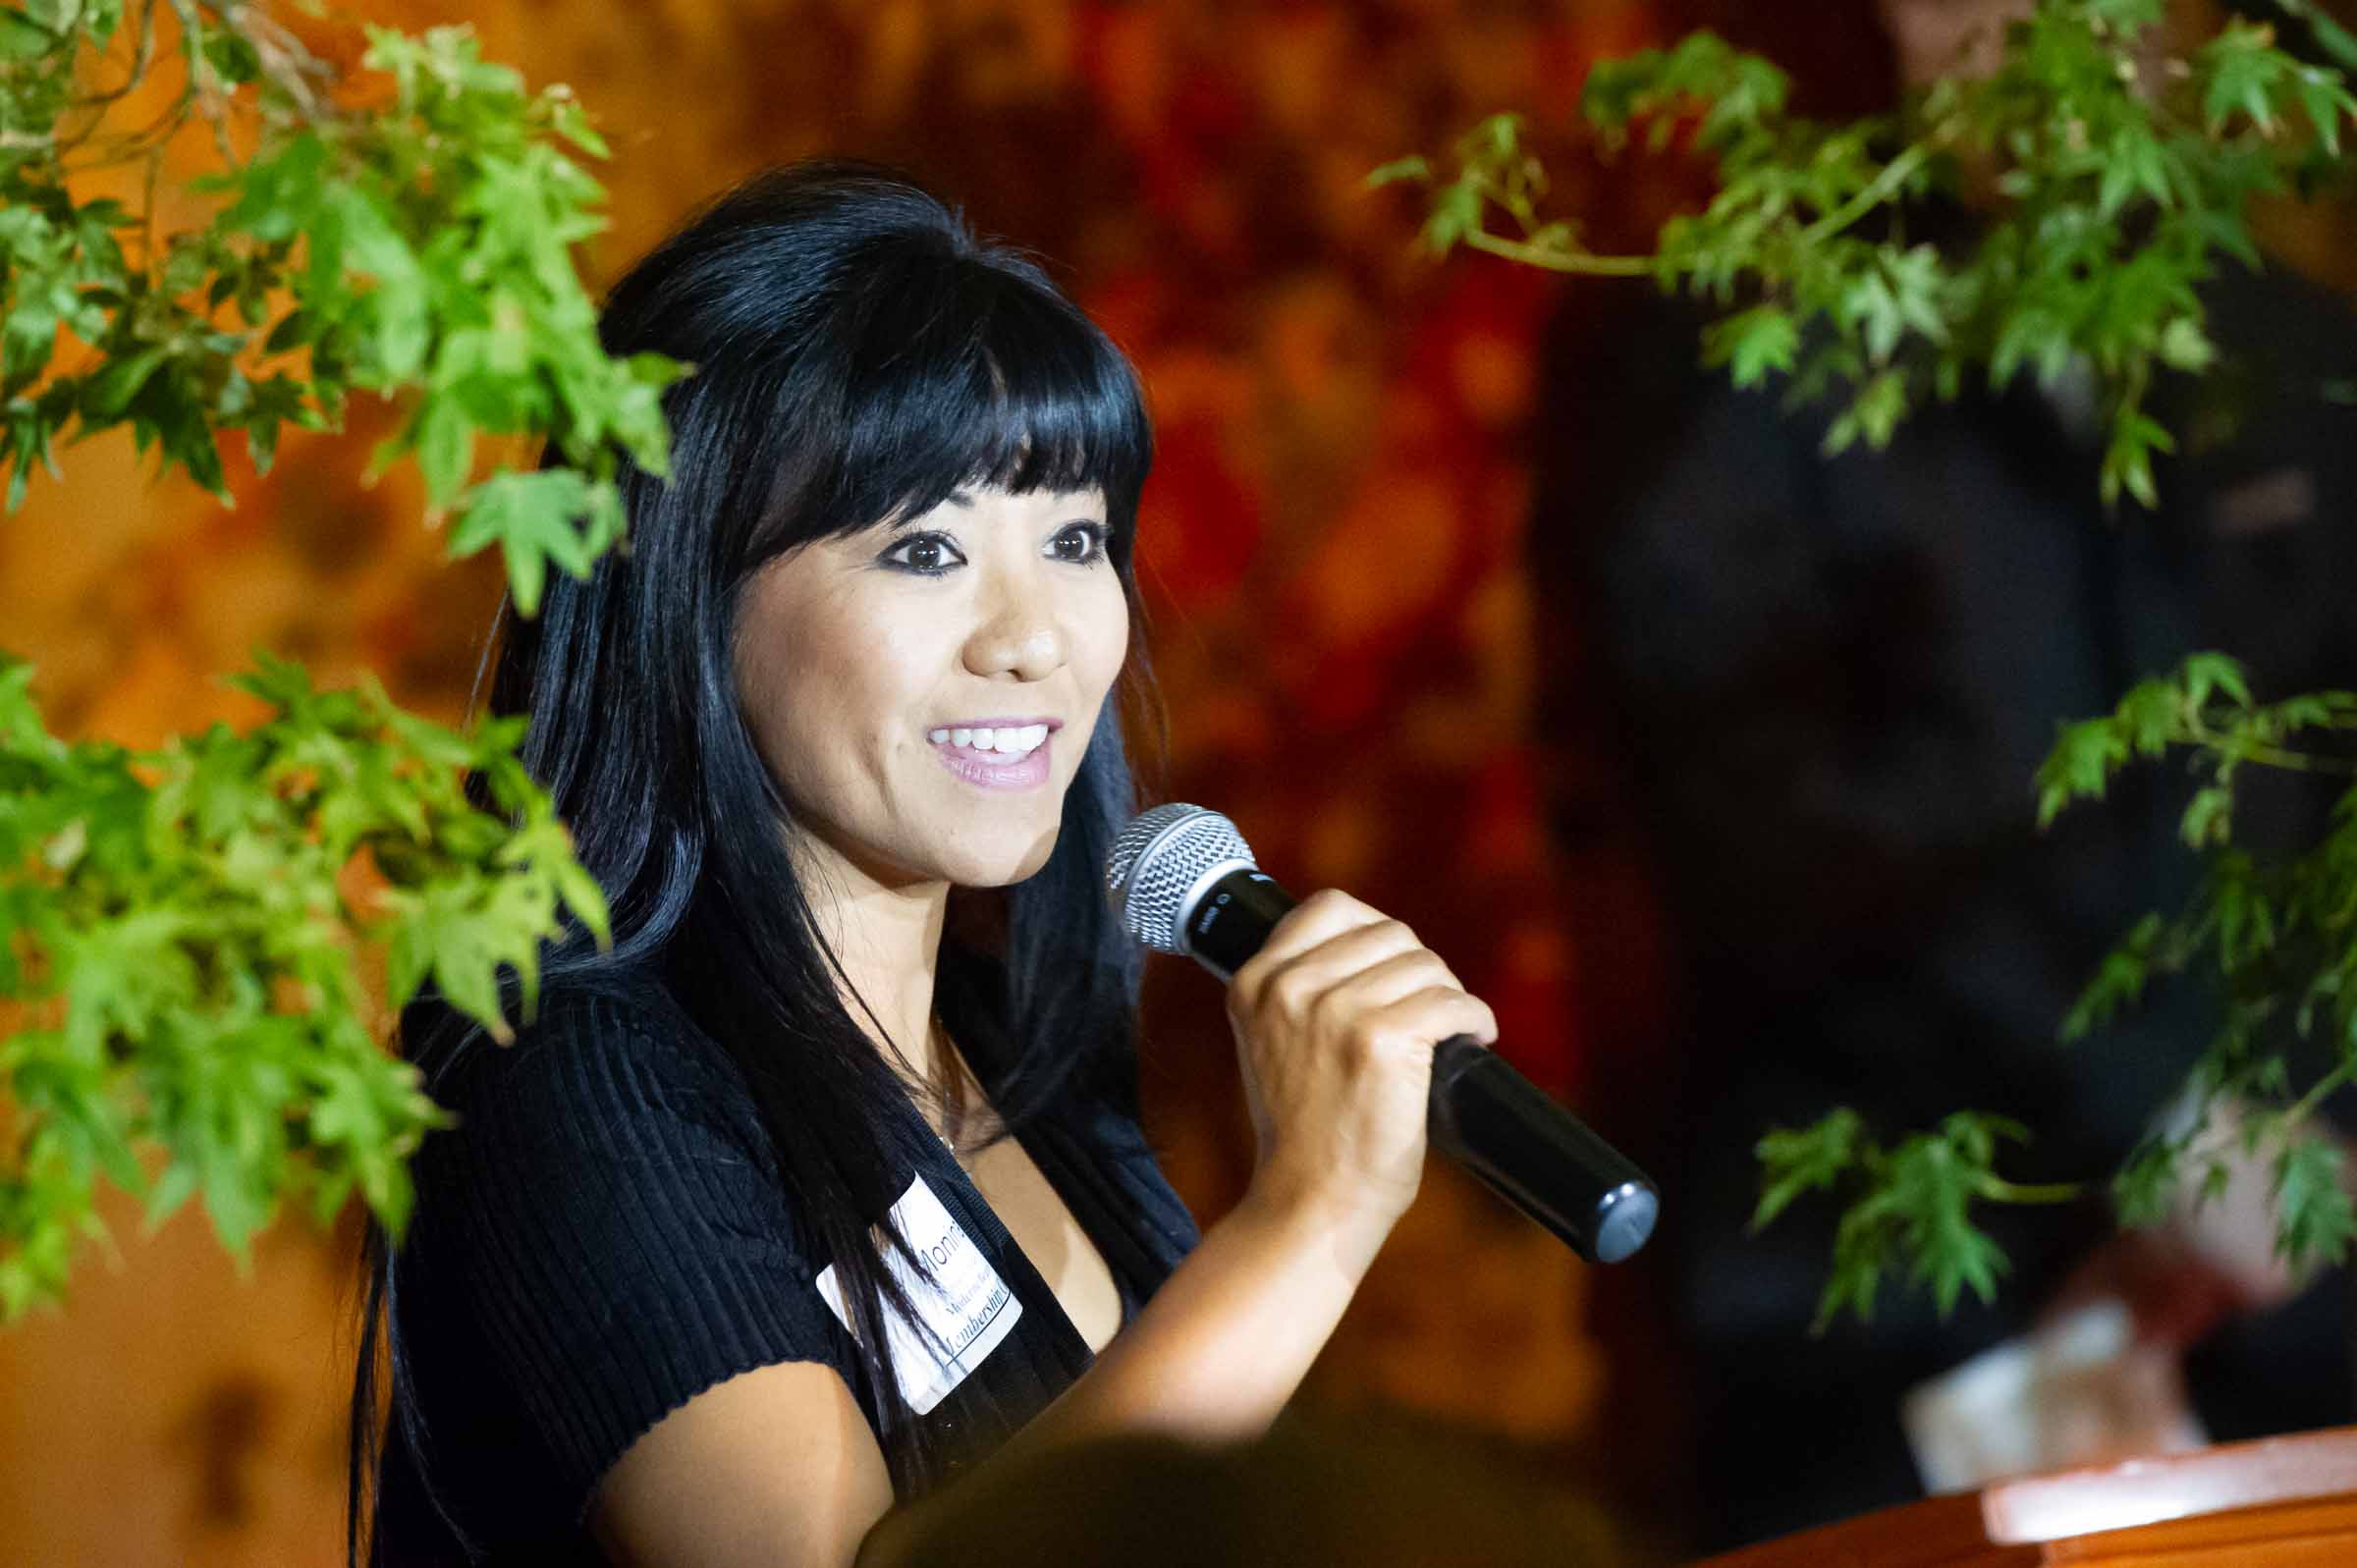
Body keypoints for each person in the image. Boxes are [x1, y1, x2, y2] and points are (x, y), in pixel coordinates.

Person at [346, 163, 1499, 1567]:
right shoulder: (577, 1068)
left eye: (1074, 538)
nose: (1033, 636)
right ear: (691, 586)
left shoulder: (1012, 1048)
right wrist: (1309, 1221)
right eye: (926, 546)